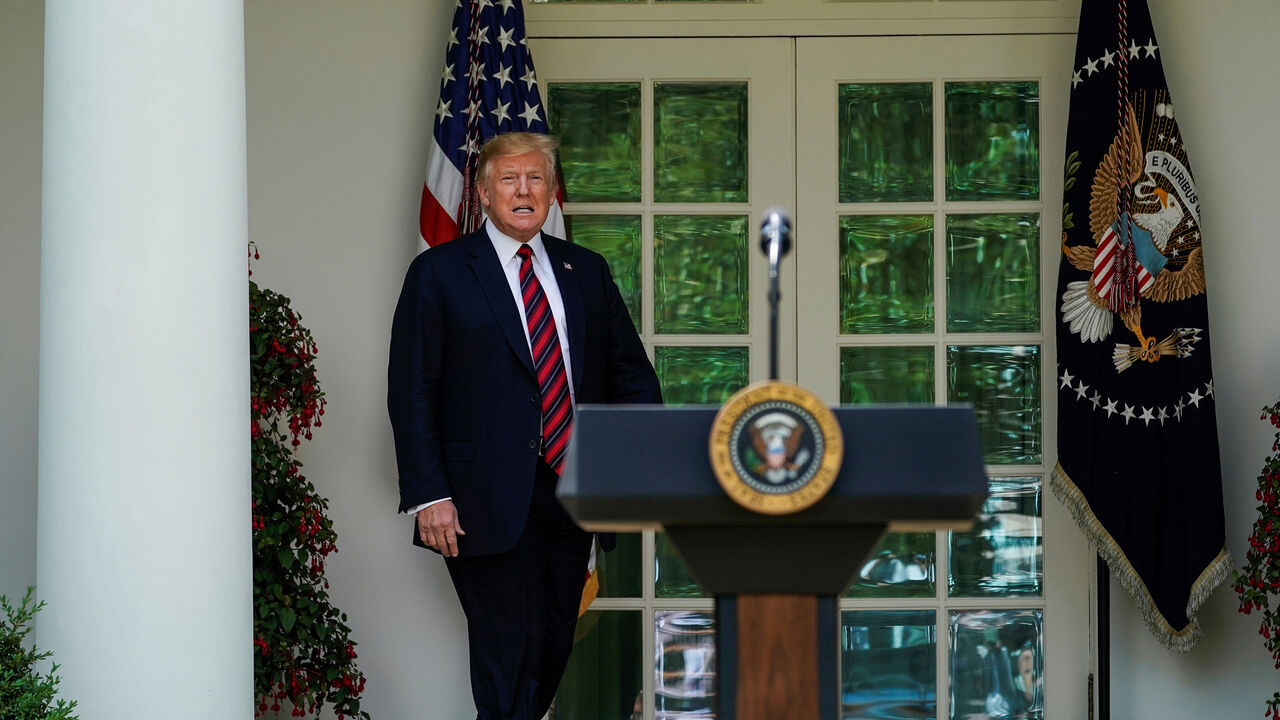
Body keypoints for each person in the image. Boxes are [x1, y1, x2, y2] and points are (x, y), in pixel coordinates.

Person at [387, 131, 662, 720]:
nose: (523, 190)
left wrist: (625, 472)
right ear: (483, 194)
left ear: (551, 191)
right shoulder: (439, 273)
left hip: (572, 493)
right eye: (509, 179)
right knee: (506, 651)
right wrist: (429, 495)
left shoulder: (585, 271)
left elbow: (632, 380)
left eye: (536, 178)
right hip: (479, 499)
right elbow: (412, 391)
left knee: (550, 646)